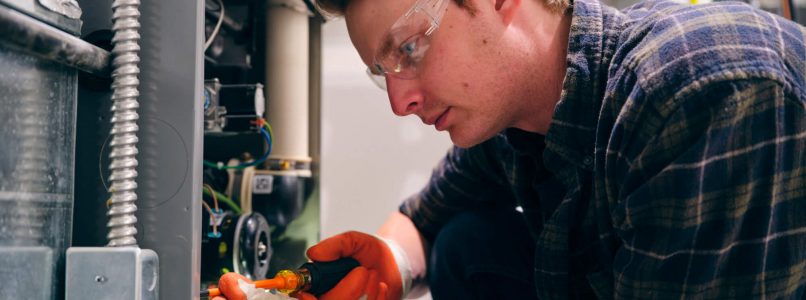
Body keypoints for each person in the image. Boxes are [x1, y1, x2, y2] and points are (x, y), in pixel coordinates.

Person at [215, 0, 806, 297]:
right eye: (381, 71)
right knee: (468, 242)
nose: (399, 102)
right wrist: (387, 270)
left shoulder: (698, 90)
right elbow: (421, 220)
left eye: (409, 51)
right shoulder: (515, 123)